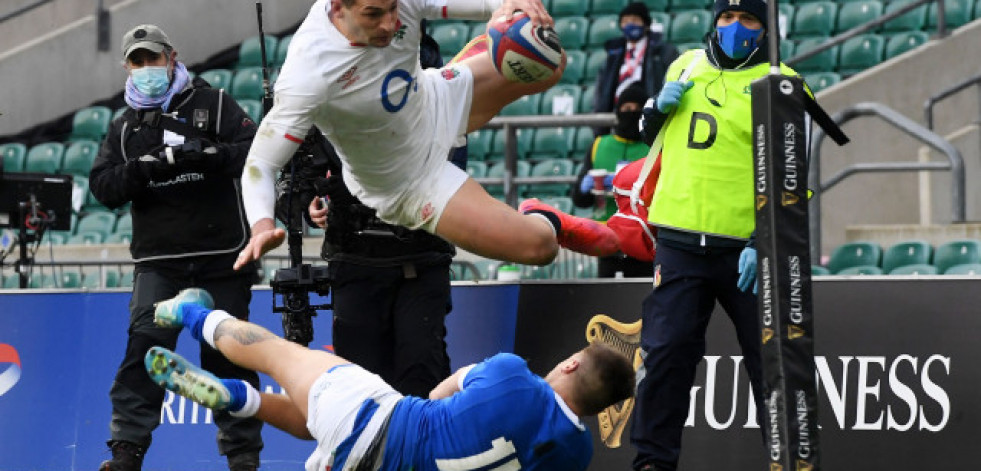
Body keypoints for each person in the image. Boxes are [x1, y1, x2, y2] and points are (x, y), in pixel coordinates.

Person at [233, 0, 621, 275]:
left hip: (435, 98)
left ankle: (485, 50)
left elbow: (487, 4)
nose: (390, 24)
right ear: (337, 8)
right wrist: (262, 226)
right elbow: (261, 163)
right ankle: (548, 217)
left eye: (392, 9)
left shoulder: (397, 3)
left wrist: (508, 7)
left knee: (546, 58)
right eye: (373, 14)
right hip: (408, 182)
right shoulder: (307, 74)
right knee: (540, 248)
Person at [143, 288, 636, 470]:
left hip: (379, 421)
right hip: (365, 458)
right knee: (318, 425)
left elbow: (441, 391)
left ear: (571, 365)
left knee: (277, 353)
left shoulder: (514, 375)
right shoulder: (576, 456)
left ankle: (190, 313)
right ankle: (236, 398)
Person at [628, 0, 804, 469]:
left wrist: (762, 241)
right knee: (666, 357)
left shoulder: (782, 81)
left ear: (765, 29)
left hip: (749, 254)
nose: (734, 27)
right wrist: (654, 109)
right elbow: (649, 133)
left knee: (773, 367)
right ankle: (652, 463)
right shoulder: (685, 64)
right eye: (726, 17)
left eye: (747, 19)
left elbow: (792, 178)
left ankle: (788, 461)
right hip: (680, 244)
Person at [89, 24, 263, 471]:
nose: (146, 67)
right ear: (126, 66)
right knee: (144, 353)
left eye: (153, 58)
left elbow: (256, 150)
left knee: (228, 355)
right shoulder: (123, 126)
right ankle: (126, 453)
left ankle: (243, 456)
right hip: (159, 263)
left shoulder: (215, 103)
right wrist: (143, 168)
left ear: (172, 57)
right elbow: (103, 187)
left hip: (221, 257)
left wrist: (209, 155)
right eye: (137, 61)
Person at [295, 25, 463, 396]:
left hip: (420, 257)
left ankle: (424, 435)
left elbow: (451, 169)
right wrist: (309, 204)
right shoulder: (330, 85)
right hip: (354, 258)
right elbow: (300, 173)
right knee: (361, 382)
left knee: (421, 370)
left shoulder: (439, 85)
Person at [571, 82, 653, 278]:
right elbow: (579, 200)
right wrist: (585, 188)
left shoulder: (653, 148)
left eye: (637, 109)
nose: (631, 113)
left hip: (642, 239)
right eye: (626, 108)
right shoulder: (599, 145)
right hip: (606, 239)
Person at [592, 2, 678, 135]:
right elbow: (601, 91)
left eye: (635, 20)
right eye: (625, 21)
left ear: (646, 24)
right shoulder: (613, 54)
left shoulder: (663, 52)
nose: (630, 24)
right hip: (618, 120)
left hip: (649, 119)